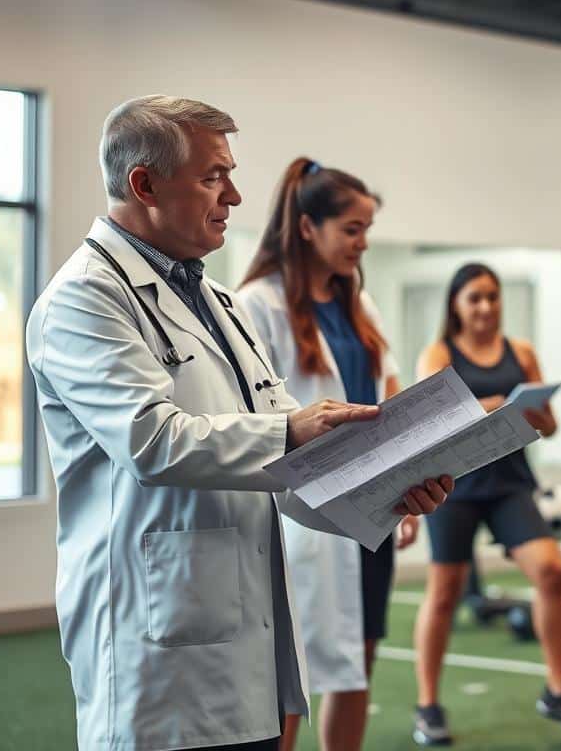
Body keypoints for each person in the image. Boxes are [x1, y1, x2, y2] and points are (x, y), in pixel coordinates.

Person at [25, 95, 451, 751]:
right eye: (212, 177)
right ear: (144, 184)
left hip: (245, 651)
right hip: (158, 658)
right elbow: (153, 440)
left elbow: (289, 469)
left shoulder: (219, 302)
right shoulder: (83, 299)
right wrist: (292, 432)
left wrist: (389, 491)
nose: (236, 196)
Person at [238, 157, 412, 751]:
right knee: (293, 675)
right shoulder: (257, 305)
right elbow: (255, 417)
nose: (362, 244)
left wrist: (407, 488)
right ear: (308, 227)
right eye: (352, 230)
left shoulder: (361, 307)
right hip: (302, 520)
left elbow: (388, 395)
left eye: (367, 230)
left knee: (356, 664)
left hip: (374, 508)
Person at [411, 263, 561, 746]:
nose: (486, 307)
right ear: (456, 303)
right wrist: (490, 406)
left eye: (492, 297)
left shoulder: (522, 352)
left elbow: (549, 426)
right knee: (446, 593)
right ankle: (428, 704)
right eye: (475, 298)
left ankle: (558, 691)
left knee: (552, 572)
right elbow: (426, 425)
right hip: (453, 485)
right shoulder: (438, 353)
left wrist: (536, 413)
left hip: (511, 482)